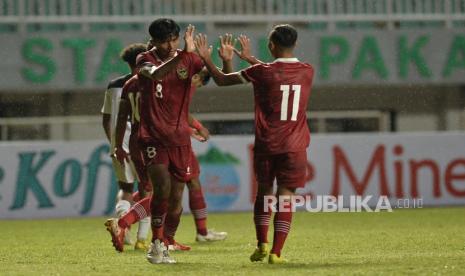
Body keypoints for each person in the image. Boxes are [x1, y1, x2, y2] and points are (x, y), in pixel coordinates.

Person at [194, 24, 314, 264]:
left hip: (268, 144)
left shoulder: (262, 72)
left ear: (271, 45)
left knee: (264, 193)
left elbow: (222, 80)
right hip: (295, 145)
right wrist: (250, 59)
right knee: (286, 196)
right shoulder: (307, 71)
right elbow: (276, 74)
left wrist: (207, 59)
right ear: (296, 44)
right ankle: (276, 253)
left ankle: (262, 244)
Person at [101, 43, 150, 250]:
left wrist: (114, 142)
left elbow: (106, 118)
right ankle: (141, 238)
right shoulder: (142, 84)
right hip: (140, 143)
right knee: (148, 190)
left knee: (125, 188)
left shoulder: (114, 85)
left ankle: (123, 227)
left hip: (118, 145)